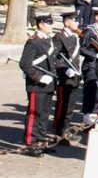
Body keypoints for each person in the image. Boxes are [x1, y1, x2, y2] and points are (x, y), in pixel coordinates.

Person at [19, 14, 57, 157]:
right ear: (41, 25)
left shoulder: (48, 40)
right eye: (49, 23)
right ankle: (31, 143)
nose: (52, 26)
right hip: (37, 85)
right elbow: (25, 64)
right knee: (34, 114)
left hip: (49, 83)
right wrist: (39, 77)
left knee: (44, 114)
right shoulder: (33, 42)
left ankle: (40, 140)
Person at [52, 10, 82, 143]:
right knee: (62, 106)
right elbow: (54, 57)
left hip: (74, 75)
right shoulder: (59, 37)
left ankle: (66, 129)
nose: (77, 23)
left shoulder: (74, 36)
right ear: (67, 22)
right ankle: (60, 131)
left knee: (70, 106)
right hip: (65, 76)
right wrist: (64, 69)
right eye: (74, 20)